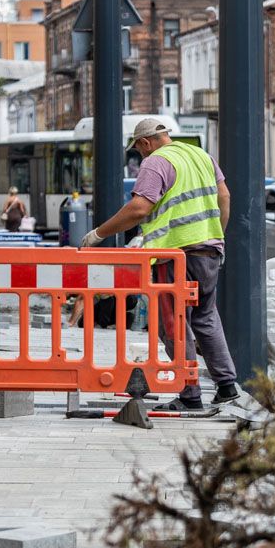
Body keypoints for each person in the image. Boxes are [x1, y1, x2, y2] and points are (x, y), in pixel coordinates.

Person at [80, 117, 239, 409]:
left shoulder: (155, 162)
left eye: (139, 149)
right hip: (209, 252)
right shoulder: (201, 155)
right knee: (205, 318)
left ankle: (190, 396)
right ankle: (227, 385)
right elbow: (224, 196)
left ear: (145, 142)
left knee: (173, 325)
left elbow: (139, 208)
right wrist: (216, 236)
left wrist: (99, 234)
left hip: (174, 255)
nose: (141, 154)